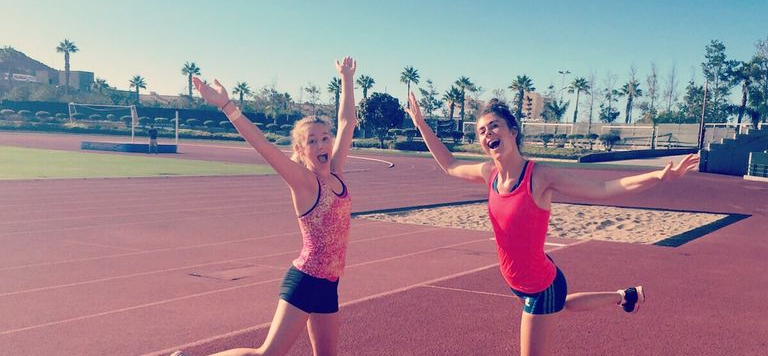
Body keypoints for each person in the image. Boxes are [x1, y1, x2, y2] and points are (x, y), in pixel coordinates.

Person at [405, 93, 699, 356]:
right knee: (565, 304)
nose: (487, 133)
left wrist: (659, 176)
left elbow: (605, 188)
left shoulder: (539, 176)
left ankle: (623, 296)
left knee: (550, 316)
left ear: (512, 131)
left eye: (494, 126)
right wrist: (420, 123)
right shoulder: (489, 174)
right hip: (527, 280)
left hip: (539, 288)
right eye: (481, 131)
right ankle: (625, 296)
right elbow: (450, 165)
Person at [171, 57, 357, 356]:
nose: (322, 145)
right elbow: (264, 146)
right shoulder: (303, 181)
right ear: (300, 149)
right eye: (312, 141)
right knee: (267, 354)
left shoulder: (336, 172)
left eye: (325, 138)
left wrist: (346, 78)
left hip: (329, 283)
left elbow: (348, 121)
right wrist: (227, 106)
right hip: (306, 279)